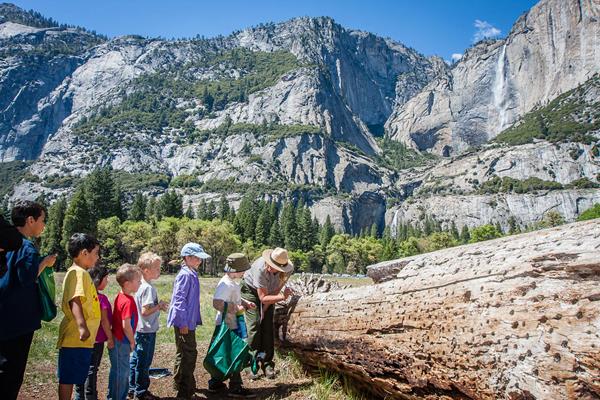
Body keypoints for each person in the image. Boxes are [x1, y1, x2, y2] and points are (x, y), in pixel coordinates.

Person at [0, 201, 56, 400]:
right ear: (30, 220)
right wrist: (45, 262)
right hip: (19, 321)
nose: (43, 225)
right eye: (42, 220)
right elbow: (27, 278)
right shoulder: (27, 248)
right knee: (12, 375)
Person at [57, 233, 102, 400]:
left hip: (80, 340)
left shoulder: (79, 272)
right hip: (76, 338)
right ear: (84, 253)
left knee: (73, 376)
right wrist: (82, 326)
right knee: (68, 378)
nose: (97, 257)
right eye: (96, 252)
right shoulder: (78, 273)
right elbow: (75, 300)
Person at [208, 253, 256, 398]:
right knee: (235, 354)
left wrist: (245, 303)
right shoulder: (225, 284)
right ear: (236, 270)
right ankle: (235, 387)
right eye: (243, 270)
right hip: (227, 325)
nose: (244, 273)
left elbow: (233, 298)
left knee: (225, 353)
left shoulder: (232, 282)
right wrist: (236, 308)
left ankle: (215, 382)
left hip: (231, 324)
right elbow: (217, 303)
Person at [241, 247, 294, 380]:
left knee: (267, 328)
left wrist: (265, 309)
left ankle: (267, 363)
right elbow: (262, 297)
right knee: (254, 327)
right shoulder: (260, 269)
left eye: (274, 267)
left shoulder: (287, 271)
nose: (270, 268)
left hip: (270, 294)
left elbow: (276, 290)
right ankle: (250, 364)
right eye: (270, 265)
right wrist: (282, 297)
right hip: (251, 291)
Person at [166, 242, 209, 400]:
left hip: (187, 321)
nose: (200, 261)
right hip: (184, 322)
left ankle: (181, 383)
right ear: (188, 258)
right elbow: (179, 301)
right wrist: (183, 323)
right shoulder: (185, 275)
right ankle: (185, 392)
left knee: (182, 352)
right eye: (197, 258)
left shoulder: (191, 273)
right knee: (189, 354)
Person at [129, 252, 168, 400]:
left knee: (135, 359)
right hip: (147, 329)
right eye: (157, 268)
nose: (159, 271)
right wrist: (159, 306)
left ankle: (132, 388)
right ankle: (141, 392)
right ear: (146, 270)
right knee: (144, 362)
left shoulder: (139, 285)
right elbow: (145, 311)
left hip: (138, 328)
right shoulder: (148, 289)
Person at [74, 264, 113, 400]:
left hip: (81, 339)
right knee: (92, 369)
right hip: (96, 341)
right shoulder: (101, 299)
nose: (108, 281)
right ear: (97, 280)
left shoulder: (82, 297)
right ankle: (91, 396)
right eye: (106, 278)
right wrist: (110, 338)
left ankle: (79, 395)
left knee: (81, 367)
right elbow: (104, 321)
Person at [108, 264, 142, 400]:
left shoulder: (121, 296)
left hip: (120, 340)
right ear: (127, 284)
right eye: (138, 280)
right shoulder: (127, 301)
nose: (140, 283)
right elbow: (125, 325)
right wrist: (132, 341)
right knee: (121, 373)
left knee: (120, 371)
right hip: (121, 341)